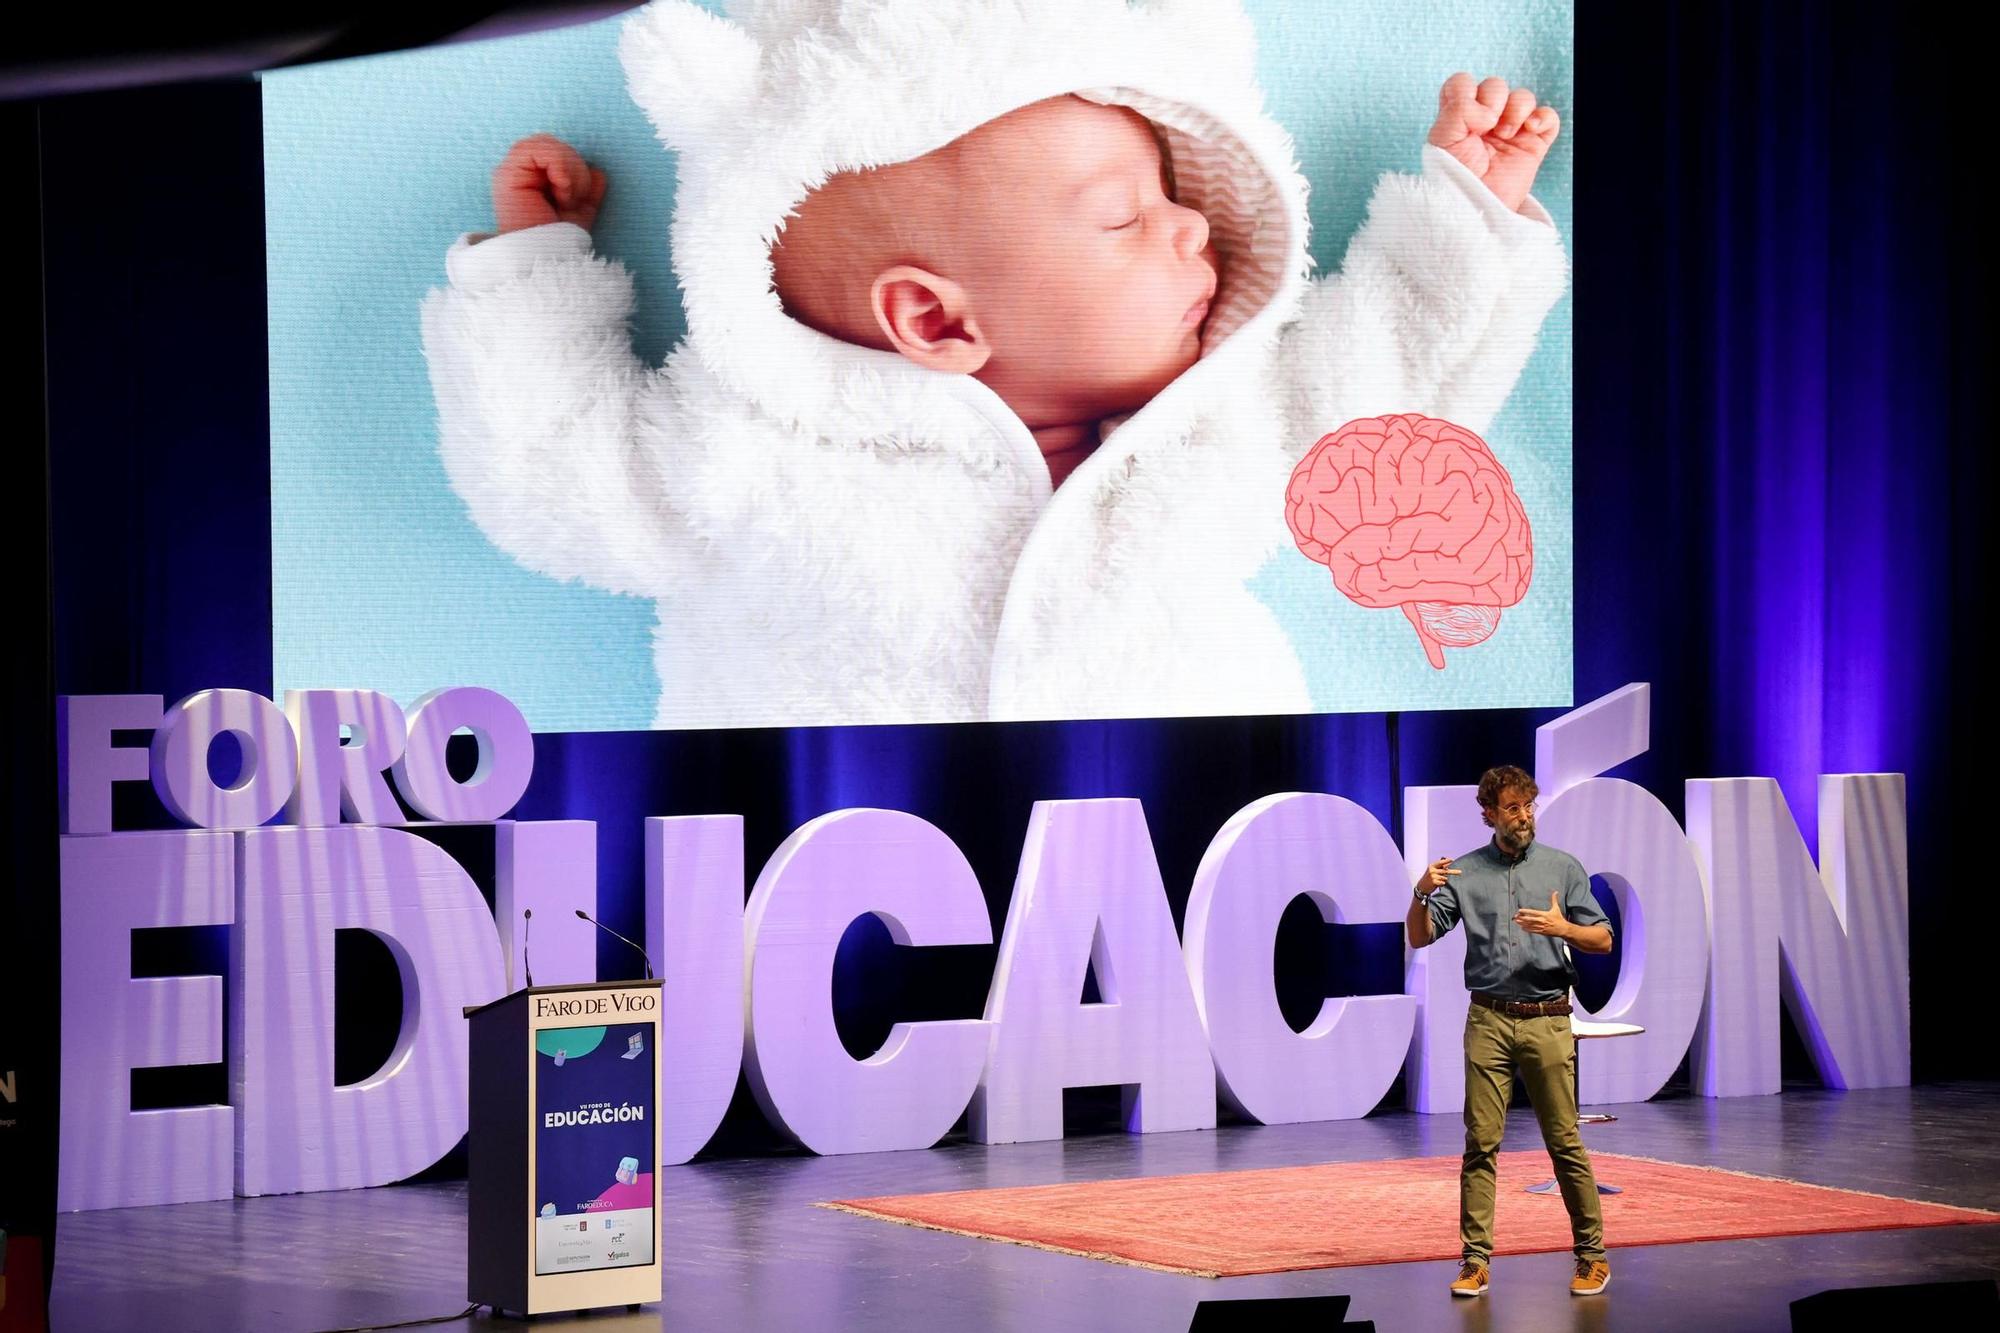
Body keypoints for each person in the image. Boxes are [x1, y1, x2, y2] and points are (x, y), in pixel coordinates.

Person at [421, 0, 1567, 727]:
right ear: (932, 318)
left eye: (1173, 198)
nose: (1192, 232)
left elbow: (1379, 392)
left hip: (1189, 868)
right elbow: (555, 472)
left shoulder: (1220, 426)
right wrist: (534, 275)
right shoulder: (751, 454)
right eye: (1123, 220)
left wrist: (1465, 211)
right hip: (830, 877)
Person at [1407, 763, 1614, 1297]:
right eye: (1512, 809)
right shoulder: (1466, 873)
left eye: (1528, 807)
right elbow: (1420, 937)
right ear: (1489, 814)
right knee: (1481, 1143)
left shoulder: (1563, 868)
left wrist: (1561, 927)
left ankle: (1592, 1256)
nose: (1523, 818)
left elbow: (1603, 940)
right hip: (1490, 1020)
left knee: (1564, 1141)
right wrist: (1419, 893)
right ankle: (1475, 1262)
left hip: (1547, 1019)